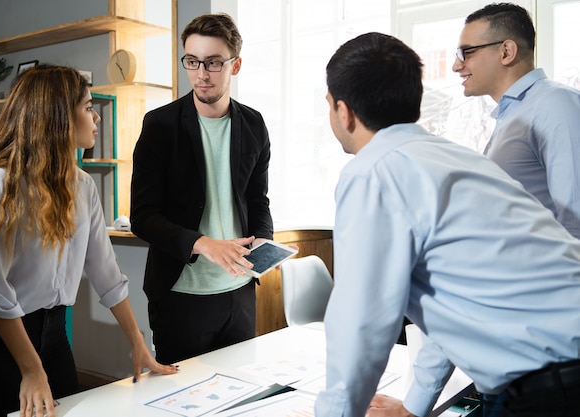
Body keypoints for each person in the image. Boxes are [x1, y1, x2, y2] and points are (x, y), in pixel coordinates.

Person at [313, 32, 580, 417]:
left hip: (551, 386)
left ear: (344, 111)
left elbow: (361, 324)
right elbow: (453, 306)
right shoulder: (460, 160)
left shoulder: (373, 171)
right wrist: (414, 406)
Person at [0, 65, 177, 417]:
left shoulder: (83, 185)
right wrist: (31, 370)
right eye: (88, 106)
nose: (96, 117)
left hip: (53, 333)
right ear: (57, 116)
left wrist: (139, 343)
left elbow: (106, 273)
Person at [130, 13, 273, 365]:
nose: (201, 74)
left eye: (212, 63)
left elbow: (258, 200)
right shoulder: (160, 125)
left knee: (238, 395)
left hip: (239, 292)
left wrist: (265, 243)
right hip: (181, 292)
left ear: (234, 66)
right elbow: (143, 217)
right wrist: (201, 243)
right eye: (192, 61)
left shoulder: (254, 124)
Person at [452, 3, 580, 238]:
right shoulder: (512, 114)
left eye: (466, 53)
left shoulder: (554, 104)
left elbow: (575, 218)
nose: (456, 66)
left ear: (506, 52)